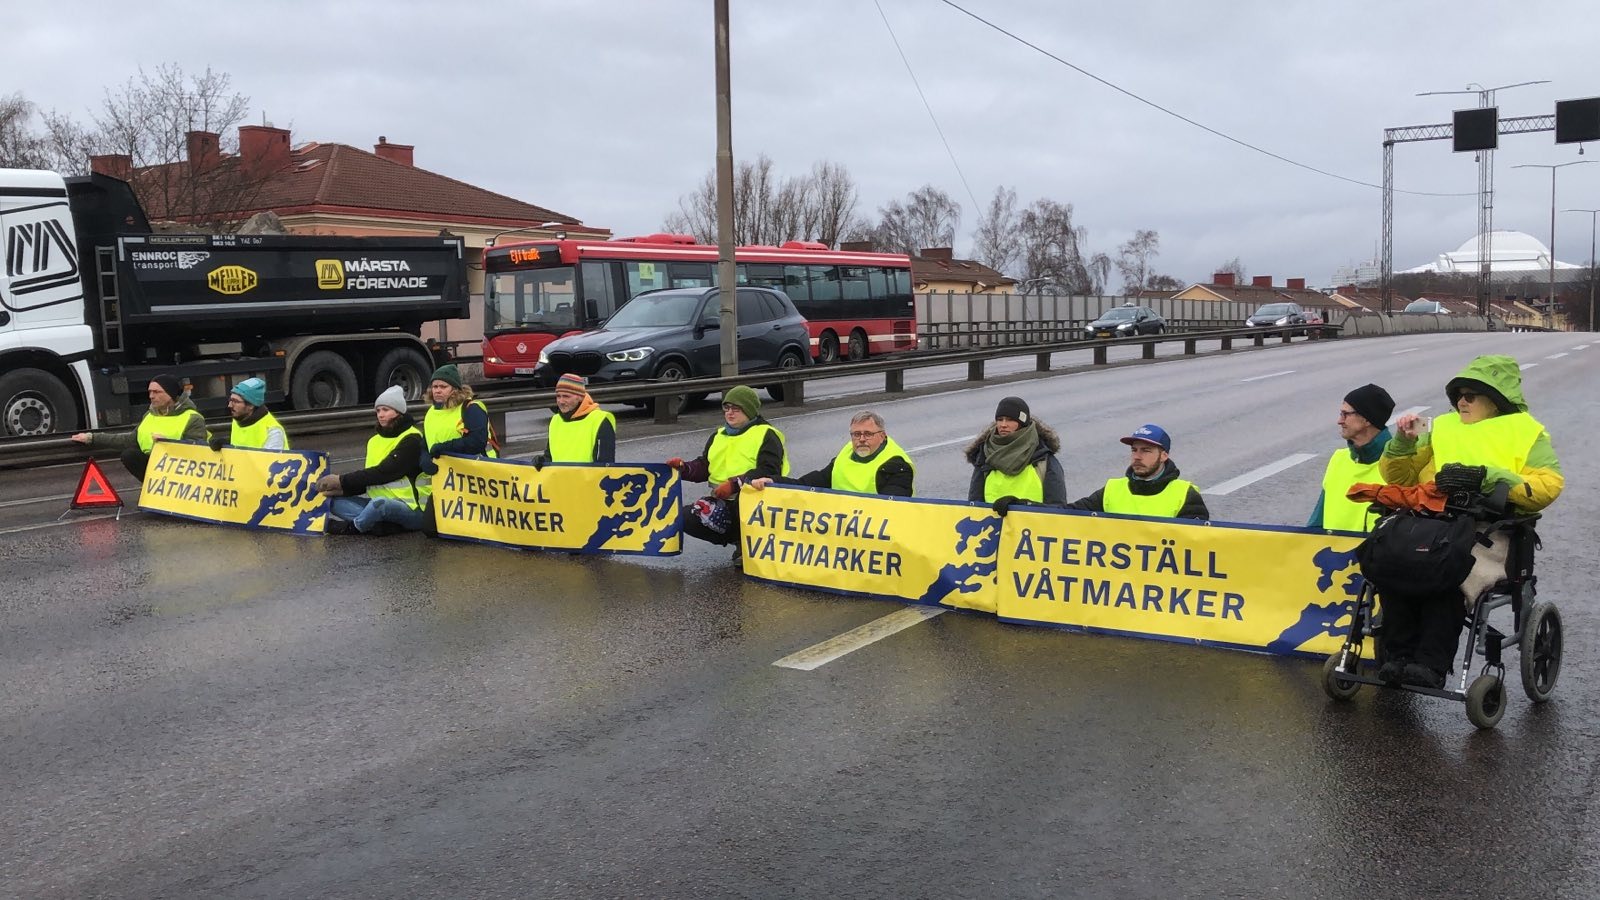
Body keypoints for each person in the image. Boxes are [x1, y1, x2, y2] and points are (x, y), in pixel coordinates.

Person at [1375, 354, 1562, 688]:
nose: (1461, 401)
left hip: (1488, 531)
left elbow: (1548, 486)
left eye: (1470, 395)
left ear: (1494, 400)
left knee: (1447, 574)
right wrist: (1402, 443)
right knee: (1396, 564)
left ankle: (1430, 665)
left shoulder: (1527, 433)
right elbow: (1400, 479)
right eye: (1458, 394)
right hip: (1433, 522)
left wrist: (1490, 478)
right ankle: (1398, 657)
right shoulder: (1442, 427)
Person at [666, 385, 789, 558]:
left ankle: (751, 546)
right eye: (727, 408)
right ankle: (738, 540)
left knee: (742, 507)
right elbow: (705, 465)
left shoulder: (767, 435)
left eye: (736, 409)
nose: (730, 413)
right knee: (685, 517)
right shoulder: (719, 435)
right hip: (723, 502)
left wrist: (734, 484)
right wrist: (684, 468)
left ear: (749, 411)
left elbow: (768, 470)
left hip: (757, 501)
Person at [317, 386, 428, 535]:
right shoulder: (374, 441)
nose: (381, 415)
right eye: (378, 411)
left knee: (380, 505)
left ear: (398, 412)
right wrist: (342, 490)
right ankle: (380, 526)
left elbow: (384, 473)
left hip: (411, 508)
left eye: (386, 410)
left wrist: (341, 480)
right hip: (375, 505)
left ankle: (352, 528)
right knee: (330, 500)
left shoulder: (412, 439)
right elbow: (369, 481)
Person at [1052, 424, 1208, 519]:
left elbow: (1195, 546)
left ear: (1164, 455)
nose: (1137, 457)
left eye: (1146, 451)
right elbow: (1070, 514)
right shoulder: (1113, 489)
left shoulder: (1185, 494)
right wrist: (1030, 508)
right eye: (1134, 450)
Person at [69, 373, 208, 480]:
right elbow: (127, 440)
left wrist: (168, 444)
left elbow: (197, 454)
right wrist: (92, 438)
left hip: (181, 470)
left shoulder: (192, 418)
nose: (151, 396)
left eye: (157, 392)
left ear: (171, 395)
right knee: (129, 455)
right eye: (150, 392)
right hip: (156, 466)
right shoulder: (149, 415)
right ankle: (154, 490)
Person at [749, 410, 914, 497]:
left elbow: (893, 507)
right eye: (856, 434)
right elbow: (810, 483)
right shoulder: (845, 455)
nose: (861, 439)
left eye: (868, 434)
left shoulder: (896, 465)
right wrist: (773, 481)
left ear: (882, 436)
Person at [1308, 383, 1393, 531]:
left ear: (1367, 420)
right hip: (1331, 553)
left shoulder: (1399, 466)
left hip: (1373, 553)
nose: (1339, 421)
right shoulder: (1338, 459)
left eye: (1345, 414)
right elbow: (1317, 523)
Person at [965, 396, 1066, 507]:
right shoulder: (985, 455)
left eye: (1010, 420)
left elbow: (1058, 509)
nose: (1003, 424)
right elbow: (974, 506)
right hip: (993, 524)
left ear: (1022, 422)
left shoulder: (1044, 459)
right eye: (1000, 419)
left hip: (1033, 523)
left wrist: (1023, 505)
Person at [538, 373, 616, 465]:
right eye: (558, 396)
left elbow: (605, 464)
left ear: (580, 397)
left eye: (566, 396)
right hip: (560, 479)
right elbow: (550, 457)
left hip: (588, 479)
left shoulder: (600, 420)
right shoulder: (556, 420)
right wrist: (541, 462)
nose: (561, 401)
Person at [209, 377, 289, 451]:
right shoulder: (239, 419)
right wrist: (227, 445)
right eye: (230, 400)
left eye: (236, 401)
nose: (229, 405)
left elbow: (268, 464)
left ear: (251, 405)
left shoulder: (273, 432)